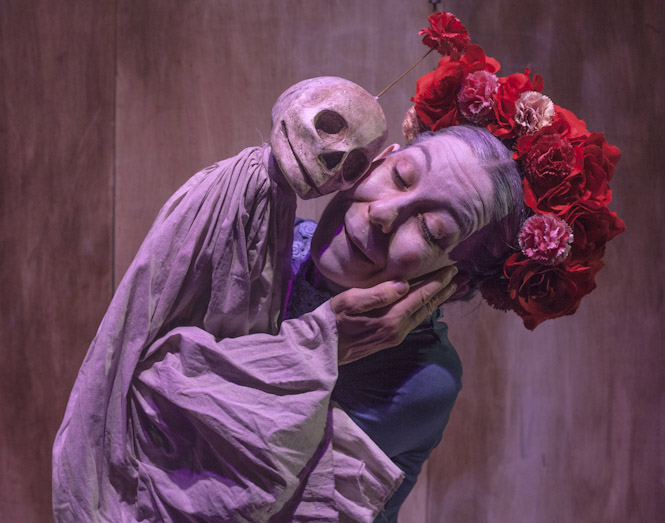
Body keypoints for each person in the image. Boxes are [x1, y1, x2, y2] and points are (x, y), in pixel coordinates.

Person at [286, 124, 524, 521]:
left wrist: (320, 346)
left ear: (455, 281)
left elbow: (242, 473)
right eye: (399, 176)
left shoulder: (422, 377)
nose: (383, 212)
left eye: (430, 231)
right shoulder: (265, 239)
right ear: (376, 159)